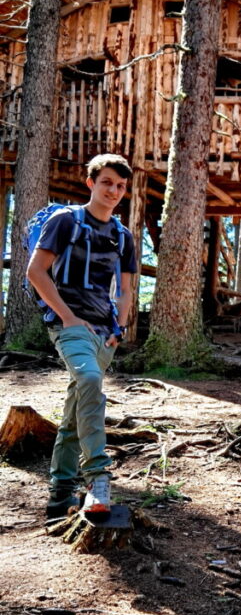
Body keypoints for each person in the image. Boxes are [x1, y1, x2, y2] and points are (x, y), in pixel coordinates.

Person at [26, 154, 137, 520]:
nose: (114, 191)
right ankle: (98, 478)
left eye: (120, 186)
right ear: (91, 183)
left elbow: (124, 287)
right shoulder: (65, 221)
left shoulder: (123, 236)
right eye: (107, 182)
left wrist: (119, 328)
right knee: (89, 380)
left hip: (104, 333)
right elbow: (36, 271)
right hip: (69, 326)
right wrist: (69, 317)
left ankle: (59, 496)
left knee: (77, 410)